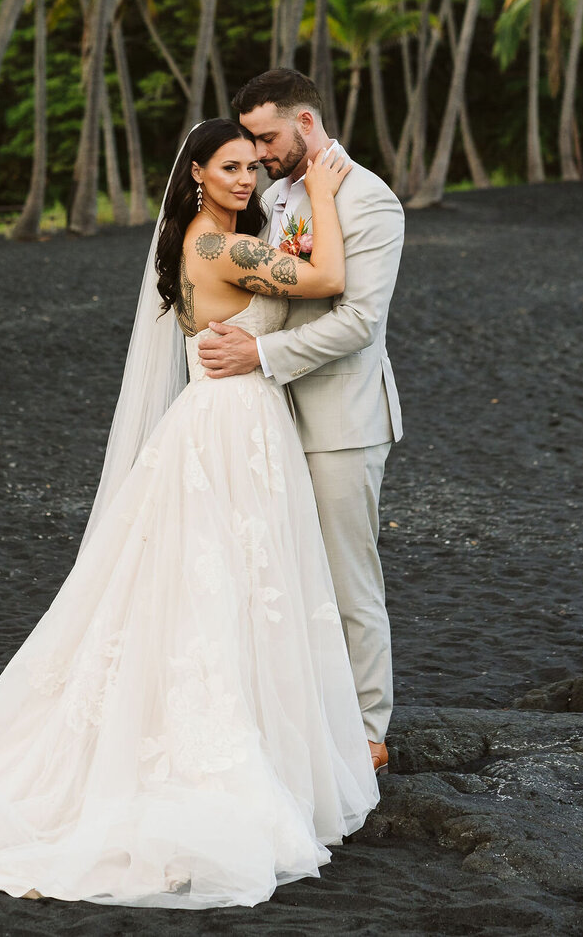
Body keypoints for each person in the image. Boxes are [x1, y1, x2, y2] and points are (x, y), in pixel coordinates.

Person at [0, 119, 378, 909]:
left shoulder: (217, 241)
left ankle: (262, 742)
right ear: (197, 175)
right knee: (214, 589)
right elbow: (330, 279)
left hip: (245, 426)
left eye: (251, 166)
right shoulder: (216, 247)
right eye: (230, 167)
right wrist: (323, 194)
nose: (245, 178)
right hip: (229, 427)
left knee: (240, 588)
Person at [198, 70, 405, 773]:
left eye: (267, 136)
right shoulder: (276, 195)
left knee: (349, 580)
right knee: (290, 576)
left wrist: (260, 351)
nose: (256, 152)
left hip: (343, 420)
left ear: (308, 123)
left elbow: (358, 321)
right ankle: (311, 717)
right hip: (273, 418)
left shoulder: (369, 200)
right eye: (247, 139)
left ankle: (370, 730)